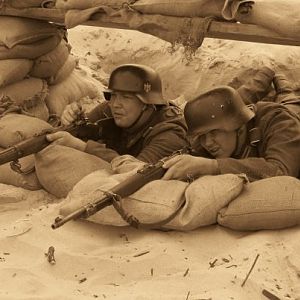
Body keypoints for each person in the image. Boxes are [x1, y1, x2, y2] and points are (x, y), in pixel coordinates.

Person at [46, 63, 188, 164]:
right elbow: (74, 132)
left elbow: (135, 171)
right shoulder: (111, 109)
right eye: (113, 95)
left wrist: (83, 147)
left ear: (147, 104)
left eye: (126, 97)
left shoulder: (169, 133)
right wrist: (69, 122)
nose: (115, 104)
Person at [162, 85, 300, 182]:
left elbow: (281, 171)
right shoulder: (205, 138)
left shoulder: (280, 121)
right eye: (202, 136)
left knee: (291, 102)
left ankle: (284, 88)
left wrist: (212, 166)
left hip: (291, 116)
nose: (208, 143)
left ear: (238, 126)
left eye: (214, 132)